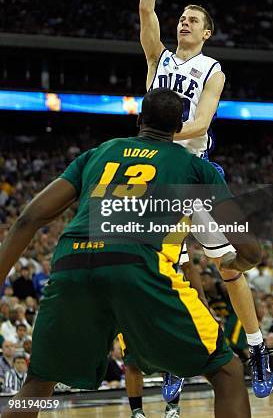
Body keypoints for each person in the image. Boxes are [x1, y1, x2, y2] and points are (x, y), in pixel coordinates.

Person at [0, 89, 254, 418]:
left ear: (138, 120)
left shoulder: (98, 153)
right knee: (228, 372)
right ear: (179, 127)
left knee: (36, 386)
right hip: (136, 266)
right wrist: (238, 262)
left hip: (72, 262)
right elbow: (250, 247)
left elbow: (29, 219)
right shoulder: (193, 168)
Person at [131, 0, 273, 412]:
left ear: (207, 32)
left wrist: (159, 134)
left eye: (194, 19)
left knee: (231, 267)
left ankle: (256, 348)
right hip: (158, 178)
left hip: (197, 174)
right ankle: (176, 354)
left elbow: (201, 124)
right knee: (166, 270)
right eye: (183, 17)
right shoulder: (158, 59)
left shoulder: (211, 68)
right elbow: (147, 9)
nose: (184, 22)